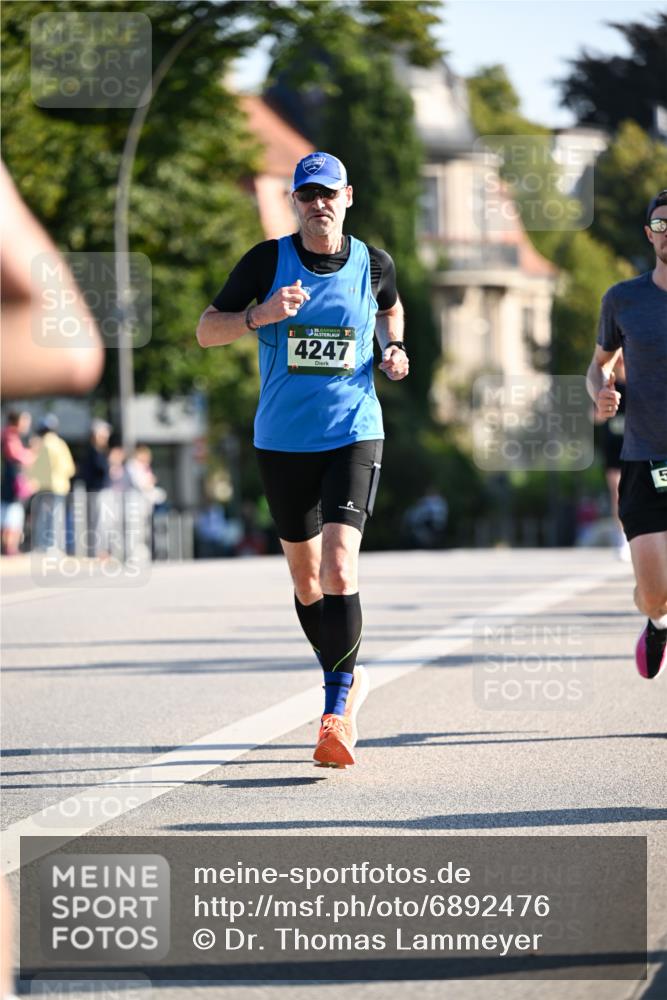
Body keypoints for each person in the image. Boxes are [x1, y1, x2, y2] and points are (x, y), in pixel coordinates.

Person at [197, 151, 409, 766]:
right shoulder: (267, 262)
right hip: (283, 441)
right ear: (295, 202)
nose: (319, 204)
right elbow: (206, 330)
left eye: (328, 194)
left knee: (340, 568)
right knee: (307, 581)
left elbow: (391, 307)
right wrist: (258, 315)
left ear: (348, 197)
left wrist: (394, 348)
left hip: (353, 431)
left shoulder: (374, 263)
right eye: (307, 194)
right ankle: (348, 678)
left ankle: (335, 712)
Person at [586, 189, 667, 680]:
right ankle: (657, 622)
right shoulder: (623, 299)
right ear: (649, 234)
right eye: (660, 225)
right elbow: (599, 366)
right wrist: (600, 392)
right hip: (644, 459)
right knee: (654, 593)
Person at [595, 353, 630, 560]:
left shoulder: (640, 385)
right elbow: (594, 417)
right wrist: (604, 406)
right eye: (618, 361)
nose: (621, 364)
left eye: (623, 360)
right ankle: (622, 537)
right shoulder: (607, 387)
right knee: (617, 493)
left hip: (638, 448)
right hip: (614, 450)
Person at [29, 413, 76, 552]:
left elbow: (34, 468)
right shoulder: (60, 444)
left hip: (43, 487)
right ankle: (53, 546)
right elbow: (70, 468)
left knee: (43, 518)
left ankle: (42, 546)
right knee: (56, 518)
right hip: (59, 487)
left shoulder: (41, 444)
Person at [1, 409, 35, 555]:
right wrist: (31, 454)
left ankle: (10, 547)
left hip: (11, 482)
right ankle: (9, 547)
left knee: (12, 513)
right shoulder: (10, 435)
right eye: (25, 420)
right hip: (10, 483)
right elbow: (17, 455)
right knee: (11, 514)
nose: (27, 424)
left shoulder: (13, 436)